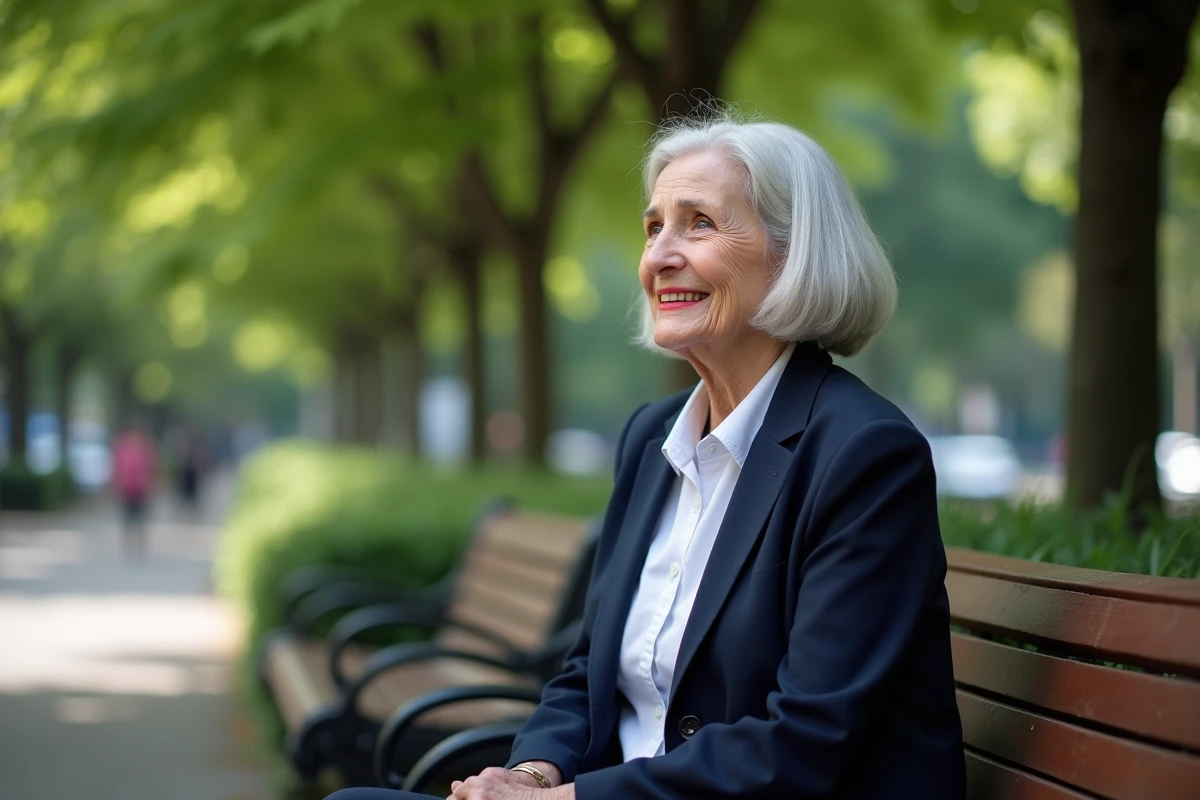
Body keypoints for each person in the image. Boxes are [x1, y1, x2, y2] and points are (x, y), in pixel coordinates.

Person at [328, 114, 965, 799]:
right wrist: (529, 774)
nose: (659, 255)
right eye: (654, 227)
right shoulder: (651, 439)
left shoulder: (864, 454)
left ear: (793, 254)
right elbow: (587, 673)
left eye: (699, 224)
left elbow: (805, 743)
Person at [111, 418, 157, 559]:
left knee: (141, 517)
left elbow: (152, 467)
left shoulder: (145, 447)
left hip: (141, 488)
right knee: (127, 517)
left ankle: (140, 544)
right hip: (125, 488)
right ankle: (128, 544)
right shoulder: (121, 446)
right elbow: (116, 466)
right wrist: (114, 484)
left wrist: (153, 485)